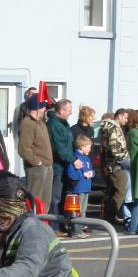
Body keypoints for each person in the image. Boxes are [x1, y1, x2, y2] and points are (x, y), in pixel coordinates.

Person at [48, 99, 82, 235]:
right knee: (55, 198)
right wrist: (73, 159)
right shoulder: (54, 125)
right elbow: (59, 147)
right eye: (68, 110)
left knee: (63, 197)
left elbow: (69, 144)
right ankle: (54, 226)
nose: (70, 113)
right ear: (61, 111)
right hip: (57, 166)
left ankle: (62, 224)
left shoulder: (63, 124)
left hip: (64, 166)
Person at [18, 95, 53, 211]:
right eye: (43, 107)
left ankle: (43, 224)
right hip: (36, 167)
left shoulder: (41, 123)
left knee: (45, 201)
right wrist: (36, 161)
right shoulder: (27, 123)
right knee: (35, 199)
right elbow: (24, 149)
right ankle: (32, 224)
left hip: (47, 165)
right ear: (38, 107)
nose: (45, 109)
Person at [100, 108, 129, 223]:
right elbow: (115, 148)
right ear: (120, 116)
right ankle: (110, 216)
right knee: (120, 191)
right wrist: (124, 158)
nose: (126, 121)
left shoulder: (107, 128)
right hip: (116, 164)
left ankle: (108, 215)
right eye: (125, 117)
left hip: (110, 164)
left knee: (112, 190)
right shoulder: (114, 128)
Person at [66, 135, 94, 239]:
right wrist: (83, 175)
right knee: (77, 211)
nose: (90, 149)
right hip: (78, 188)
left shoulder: (86, 158)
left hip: (86, 188)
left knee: (83, 210)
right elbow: (71, 174)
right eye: (88, 147)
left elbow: (92, 169)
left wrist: (92, 173)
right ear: (82, 147)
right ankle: (75, 231)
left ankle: (80, 229)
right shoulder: (75, 158)